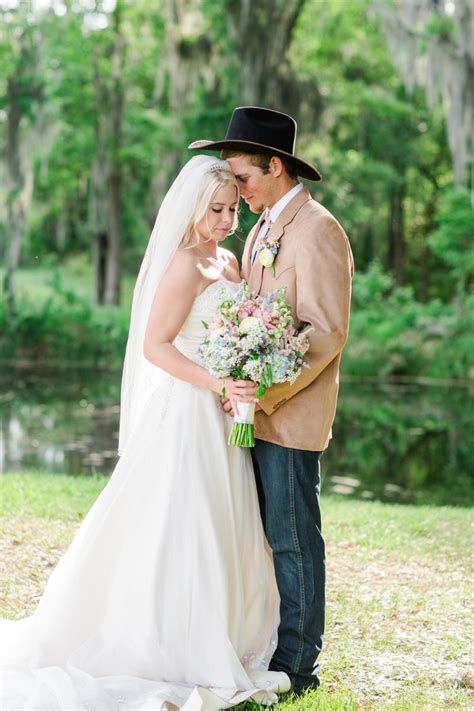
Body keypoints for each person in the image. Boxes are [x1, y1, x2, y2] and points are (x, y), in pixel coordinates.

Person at [0, 155, 291, 710]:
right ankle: (171, 640)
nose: (228, 219)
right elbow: (156, 347)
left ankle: (224, 631)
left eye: (233, 209)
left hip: (225, 413)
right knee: (183, 521)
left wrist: (243, 374)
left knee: (223, 520)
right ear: (192, 208)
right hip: (187, 413)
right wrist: (215, 382)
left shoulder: (229, 262)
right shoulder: (183, 266)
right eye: (217, 210)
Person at [189, 107, 354, 692]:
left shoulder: (319, 229)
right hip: (251, 411)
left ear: (276, 166)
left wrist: (264, 394)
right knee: (259, 538)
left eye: (245, 178)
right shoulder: (261, 228)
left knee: (292, 538)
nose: (238, 190)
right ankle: (269, 646)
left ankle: (298, 665)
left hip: (288, 414)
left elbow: (326, 331)